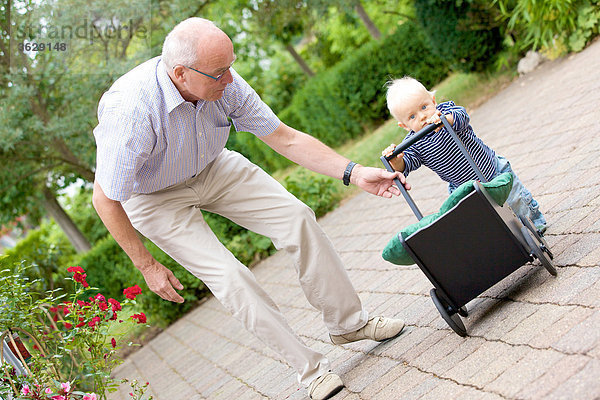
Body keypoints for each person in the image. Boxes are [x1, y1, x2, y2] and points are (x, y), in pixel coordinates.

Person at [92, 17, 408, 400]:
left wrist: (354, 173)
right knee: (231, 277)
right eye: (219, 72)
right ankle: (310, 371)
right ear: (180, 74)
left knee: (297, 218)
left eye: (230, 66)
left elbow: (285, 138)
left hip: (212, 165)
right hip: (153, 197)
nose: (230, 79)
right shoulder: (132, 111)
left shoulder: (224, 81)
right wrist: (147, 265)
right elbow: (105, 198)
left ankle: (349, 324)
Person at [382, 76, 546, 232]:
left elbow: (462, 117)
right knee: (484, 217)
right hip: (464, 187)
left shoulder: (446, 111)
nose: (423, 116)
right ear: (404, 125)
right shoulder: (414, 142)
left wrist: (447, 120)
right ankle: (507, 235)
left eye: (424, 107)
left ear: (433, 101)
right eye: (412, 116)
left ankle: (535, 223)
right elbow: (406, 165)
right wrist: (396, 160)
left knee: (515, 200)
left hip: (491, 169)